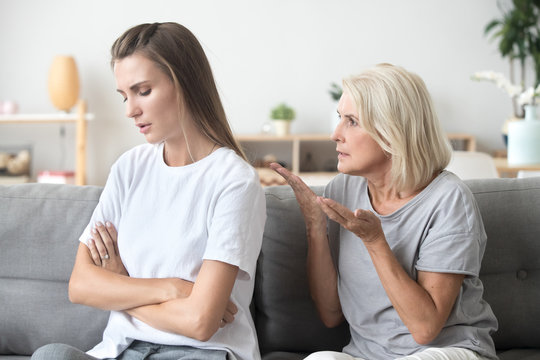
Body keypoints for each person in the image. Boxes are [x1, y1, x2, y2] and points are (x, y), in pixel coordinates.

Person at [31, 22, 266, 360]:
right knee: (50, 355)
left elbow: (200, 322)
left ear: (184, 82)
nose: (130, 110)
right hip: (120, 349)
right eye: (124, 95)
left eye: (142, 91)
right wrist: (172, 288)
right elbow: (80, 286)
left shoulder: (234, 181)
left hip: (201, 352)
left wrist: (120, 286)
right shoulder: (129, 167)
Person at [271, 64, 498, 360]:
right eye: (340, 118)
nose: (335, 134)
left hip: (444, 350)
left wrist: (375, 241)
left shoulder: (448, 200)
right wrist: (315, 226)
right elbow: (330, 315)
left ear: (392, 133)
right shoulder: (343, 190)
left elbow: (425, 329)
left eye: (351, 121)